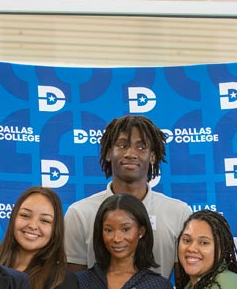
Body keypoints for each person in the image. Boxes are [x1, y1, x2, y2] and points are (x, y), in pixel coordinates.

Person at [64, 114, 192, 279]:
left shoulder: (179, 213)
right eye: (122, 145)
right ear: (109, 153)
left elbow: (185, 286)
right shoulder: (79, 214)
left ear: (152, 156)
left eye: (141, 147)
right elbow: (75, 284)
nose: (131, 153)